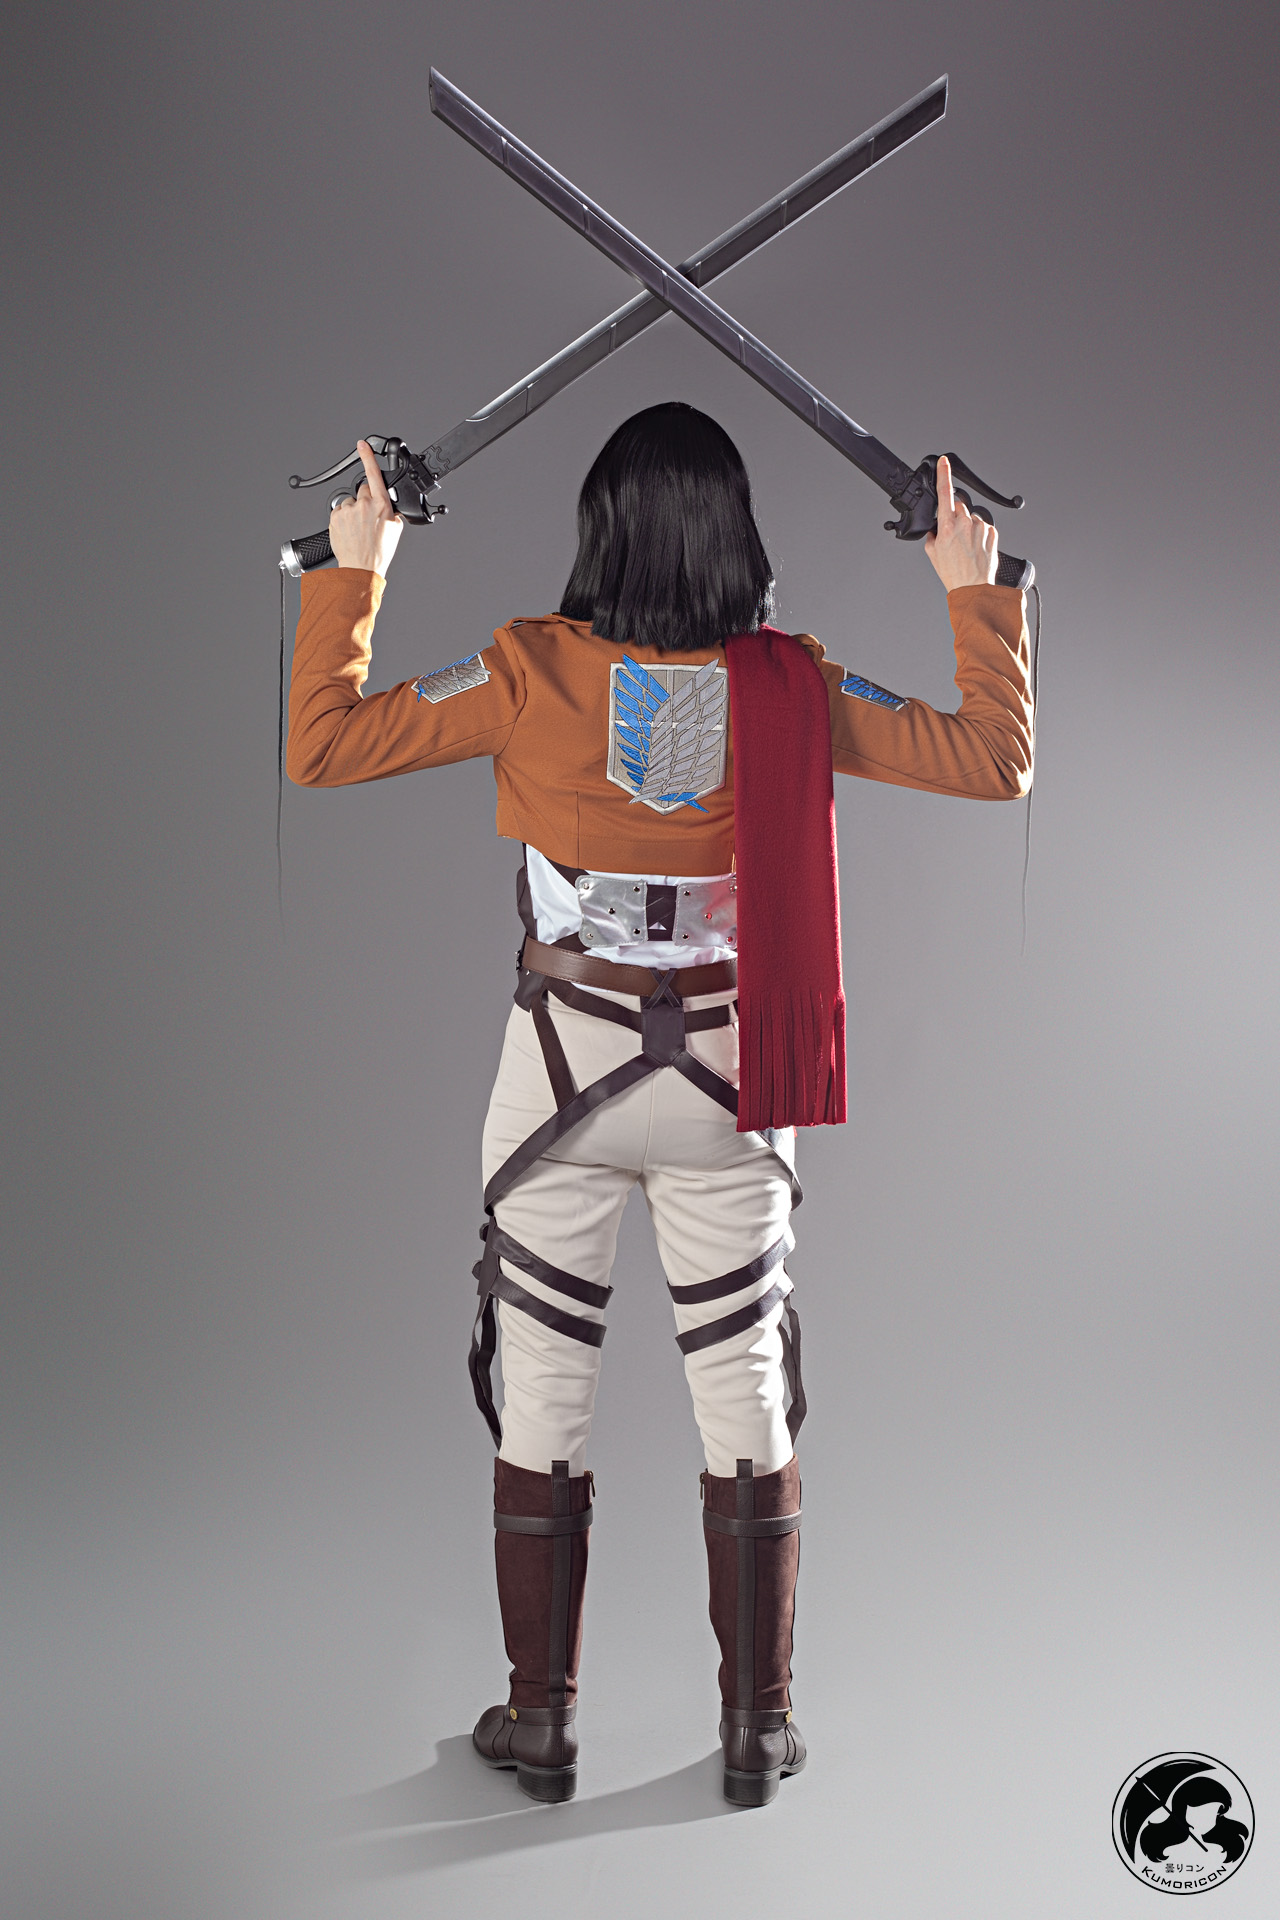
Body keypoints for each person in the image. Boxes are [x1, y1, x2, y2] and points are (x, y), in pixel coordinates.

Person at [287, 402, 1034, 1807]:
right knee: (743, 1385)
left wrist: (360, 567)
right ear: (737, 534)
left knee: (540, 1389)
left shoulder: (524, 671)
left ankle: (541, 1721)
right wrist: (972, 591)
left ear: (600, 530)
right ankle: (758, 1727)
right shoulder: (793, 687)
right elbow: (996, 759)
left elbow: (323, 743)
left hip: (559, 1077)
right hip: (731, 1088)